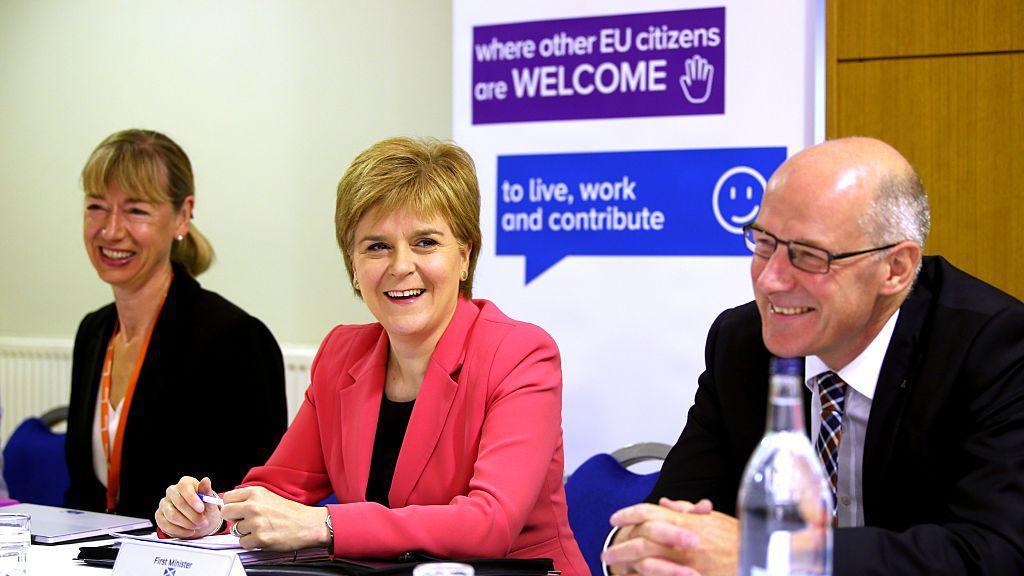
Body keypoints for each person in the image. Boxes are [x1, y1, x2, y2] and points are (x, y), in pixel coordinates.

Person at [154, 137, 589, 575]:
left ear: (465, 256)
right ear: (354, 267)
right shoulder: (342, 354)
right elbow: (278, 489)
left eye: (425, 242)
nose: (400, 266)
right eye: (377, 246)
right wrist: (211, 515)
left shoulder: (520, 355)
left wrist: (325, 524)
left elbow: (490, 524)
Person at [603, 137, 1024, 576]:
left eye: (808, 256)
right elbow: (679, 507)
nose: (770, 280)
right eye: (764, 244)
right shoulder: (741, 342)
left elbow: (995, 552)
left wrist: (777, 555)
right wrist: (636, 546)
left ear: (895, 269)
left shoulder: (992, 347)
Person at [66, 129, 288, 520]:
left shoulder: (236, 339)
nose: (111, 229)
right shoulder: (93, 332)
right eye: (96, 206)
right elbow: (83, 495)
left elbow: (258, 501)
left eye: (136, 210)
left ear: (182, 215)